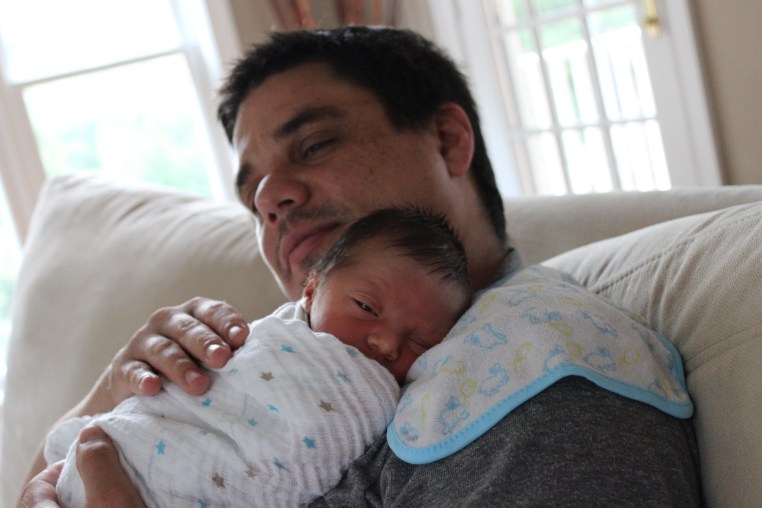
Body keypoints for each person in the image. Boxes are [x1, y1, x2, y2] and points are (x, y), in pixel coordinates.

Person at [20, 26, 702, 506]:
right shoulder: (269, 362)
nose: (270, 198)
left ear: (448, 139)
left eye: (315, 145)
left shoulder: (538, 367)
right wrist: (110, 393)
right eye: (252, 197)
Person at [46, 208, 472, 507]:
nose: (386, 344)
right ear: (312, 290)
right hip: (119, 451)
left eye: (420, 342)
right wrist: (112, 389)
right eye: (364, 307)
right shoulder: (258, 336)